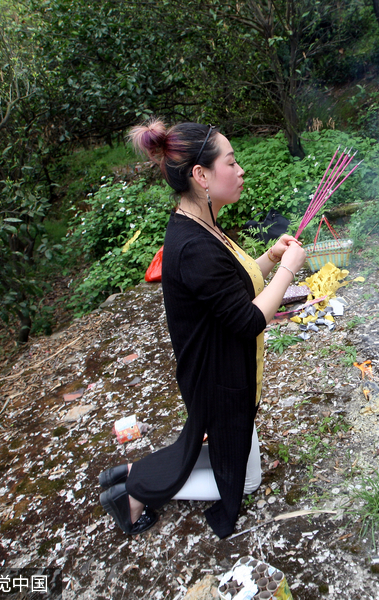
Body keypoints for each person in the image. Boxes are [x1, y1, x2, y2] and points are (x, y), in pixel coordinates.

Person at [97, 119, 306, 538]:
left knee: (226, 451)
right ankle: (134, 491)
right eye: (231, 162)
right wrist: (287, 270)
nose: (241, 170)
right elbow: (247, 319)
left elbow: (231, 288)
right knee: (245, 481)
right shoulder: (192, 244)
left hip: (221, 369)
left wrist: (267, 258)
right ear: (201, 175)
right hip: (217, 379)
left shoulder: (200, 224)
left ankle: (133, 472)